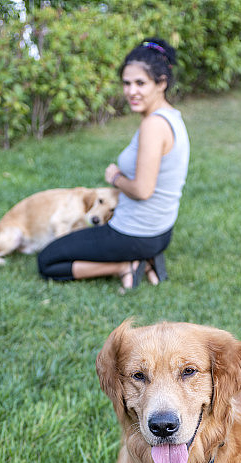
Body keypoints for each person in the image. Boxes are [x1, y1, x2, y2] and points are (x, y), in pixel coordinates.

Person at [38, 38, 190, 290]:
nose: (131, 91)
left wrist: (115, 177)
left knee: (47, 260)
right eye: (127, 83)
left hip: (135, 234)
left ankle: (126, 266)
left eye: (140, 83)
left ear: (161, 83)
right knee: (75, 238)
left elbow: (142, 191)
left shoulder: (153, 125)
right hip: (160, 232)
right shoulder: (172, 117)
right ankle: (145, 258)